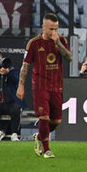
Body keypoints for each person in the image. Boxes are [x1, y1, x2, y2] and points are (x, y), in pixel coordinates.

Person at [16, 13, 72, 158]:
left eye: (56, 29)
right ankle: (46, 150)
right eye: (51, 29)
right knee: (44, 117)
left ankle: (40, 136)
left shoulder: (61, 40)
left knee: (56, 121)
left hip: (56, 85)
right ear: (43, 27)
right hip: (40, 85)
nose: (54, 32)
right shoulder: (34, 43)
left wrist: (58, 42)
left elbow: (69, 58)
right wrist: (21, 85)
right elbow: (25, 66)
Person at [0, 52, 26, 141]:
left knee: (16, 106)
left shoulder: (11, 70)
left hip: (11, 103)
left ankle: (14, 133)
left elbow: (17, 78)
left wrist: (7, 73)